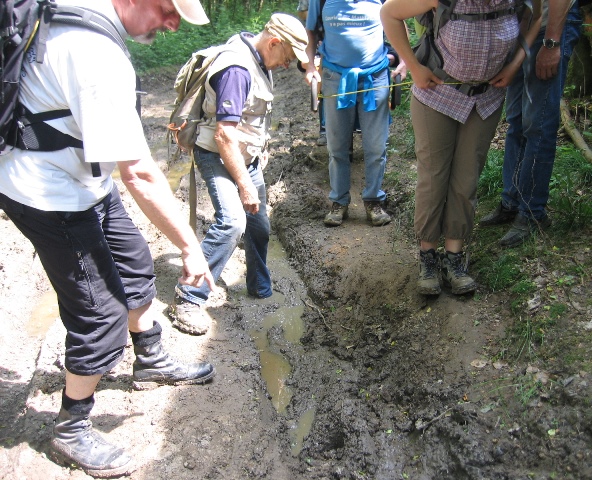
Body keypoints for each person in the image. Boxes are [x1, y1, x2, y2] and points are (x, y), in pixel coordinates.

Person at [0, 0, 217, 476]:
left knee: (135, 262)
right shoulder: (95, 53)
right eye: (167, 9)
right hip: (47, 192)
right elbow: (138, 172)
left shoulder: (82, 11)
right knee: (100, 314)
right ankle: (71, 426)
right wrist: (189, 245)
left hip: (84, 181)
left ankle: (151, 357)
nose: (173, 22)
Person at [381, 0, 541, 295]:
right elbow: (388, 13)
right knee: (434, 177)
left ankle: (454, 257)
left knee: (466, 179)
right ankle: (428, 257)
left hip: (487, 98)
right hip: (436, 94)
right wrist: (414, 67)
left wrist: (515, 63)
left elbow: (536, 14)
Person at [169, 13, 309, 335]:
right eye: (288, 57)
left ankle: (259, 286)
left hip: (245, 157)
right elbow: (224, 137)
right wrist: (244, 186)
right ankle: (190, 296)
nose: (287, 65)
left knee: (259, 224)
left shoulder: (257, 56)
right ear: (274, 42)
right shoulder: (237, 70)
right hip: (218, 155)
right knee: (233, 222)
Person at [479, 0, 582, 247]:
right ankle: (511, 202)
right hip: (524, 32)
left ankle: (532, 213)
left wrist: (552, 43)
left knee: (538, 124)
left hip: (549, 30)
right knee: (516, 121)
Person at [304, 0, 397, 228]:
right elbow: (311, 31)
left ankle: (374, 200)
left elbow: (397, 21)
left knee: (376, 146)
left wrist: (402, 59)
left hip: (375, 78)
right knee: (337, 147)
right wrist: (309, 66)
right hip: (335, 77)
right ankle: (339, 202)